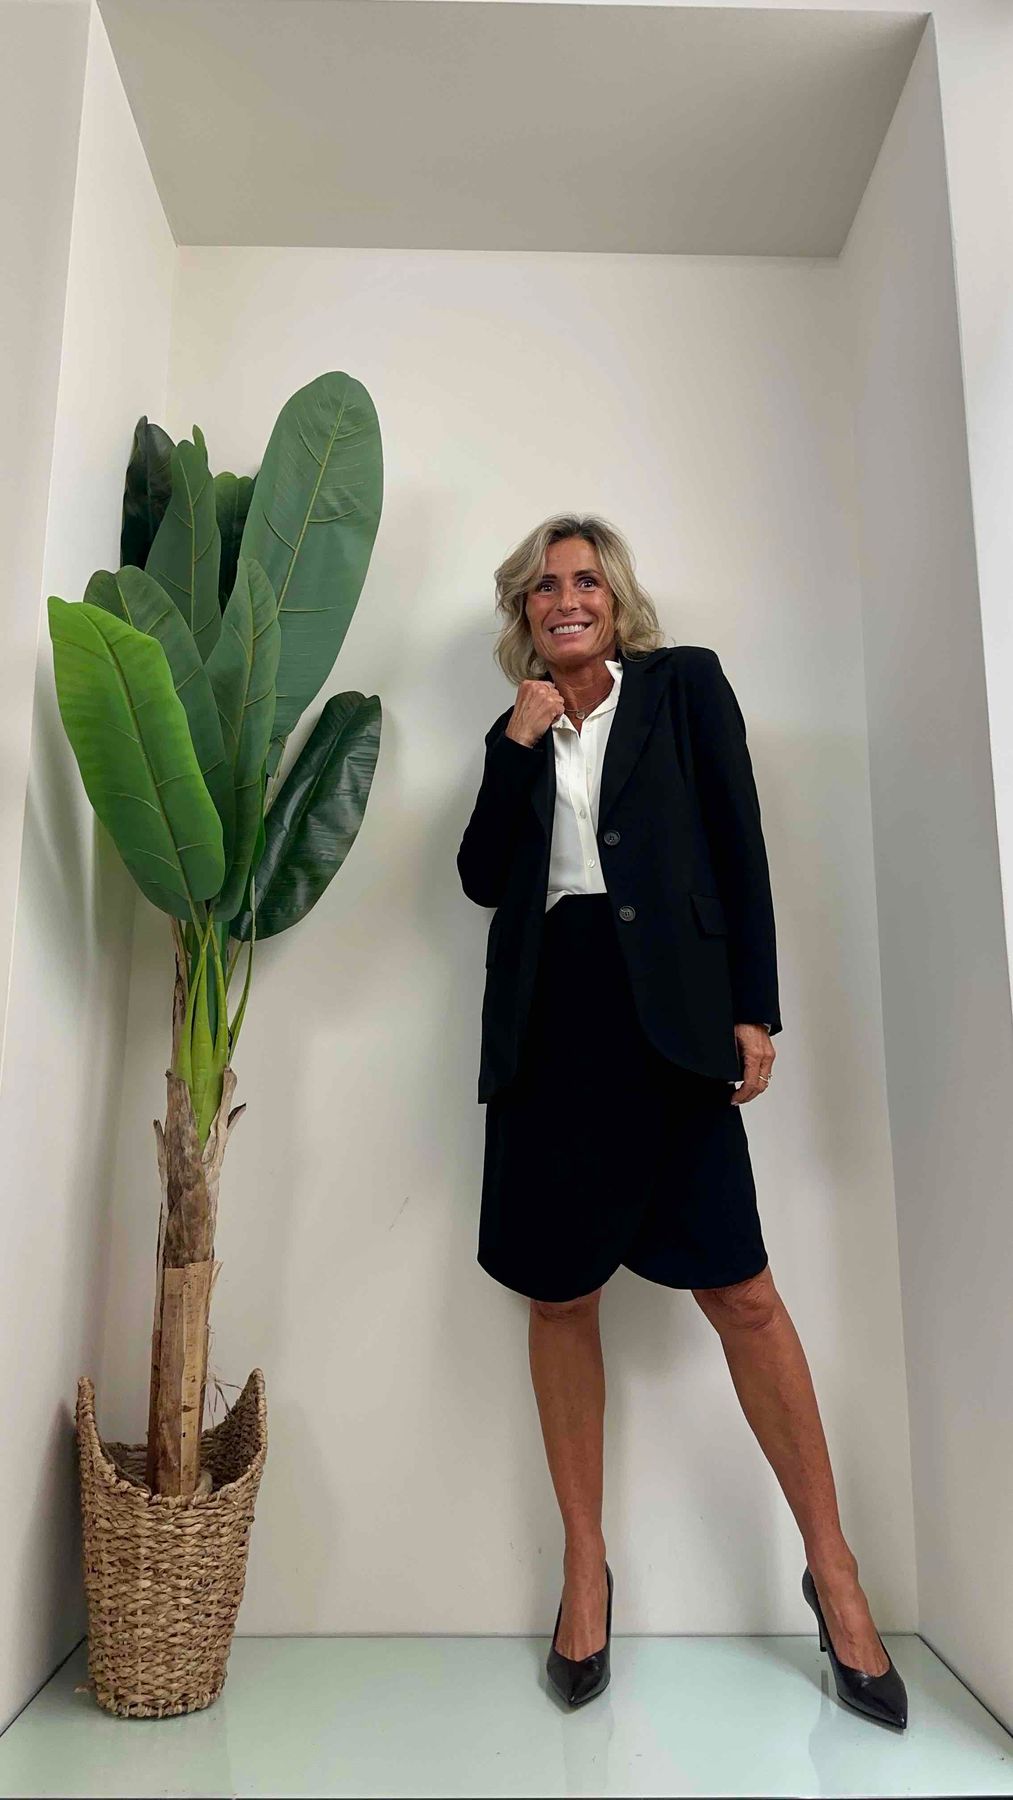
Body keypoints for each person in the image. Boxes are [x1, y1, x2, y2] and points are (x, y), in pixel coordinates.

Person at [456, 514, 907, 1727]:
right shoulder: (515, 725)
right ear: (523, 610)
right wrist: (516, 743)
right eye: (543, 586)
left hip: (668, 1026)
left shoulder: (680, 687)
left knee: (741, 1293)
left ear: (615, 600)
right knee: (560, 1297)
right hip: (550, 1029)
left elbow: (737, 845)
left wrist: (754, 1008)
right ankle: (583, 1570)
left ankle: (833, 1572)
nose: (564, 599)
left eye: (584, 581)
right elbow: (484, 876)